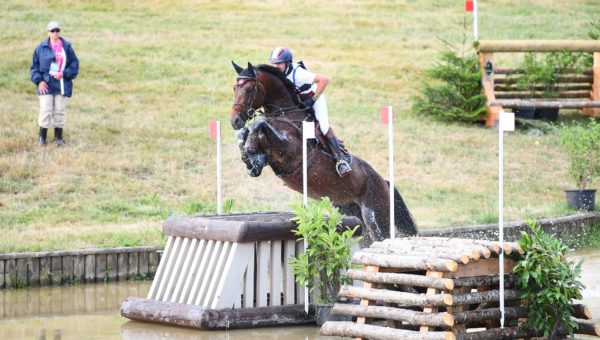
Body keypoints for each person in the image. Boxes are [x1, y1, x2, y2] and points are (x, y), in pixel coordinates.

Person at [269, 47, 351, 177]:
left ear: (288, 63)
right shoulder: (277, 73)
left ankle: (340, 159)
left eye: (279, 63)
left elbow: (324, 80)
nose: (276, 66)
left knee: (323, 127)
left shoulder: (299, 74)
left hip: (314, 97)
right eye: (274, 63)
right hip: (298, 100)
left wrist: (312, 100)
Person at [30, 21, 79, 147]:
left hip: (61, 84)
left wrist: (64, 73)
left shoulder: (67, 47)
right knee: (46, 109)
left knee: (60, 110)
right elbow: (34, 67)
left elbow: (74, 65)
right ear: (48, 32)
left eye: (57, 30)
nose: (55, 33)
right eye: (52, 31)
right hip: (46, 84)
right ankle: (42, 138)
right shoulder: (40, 48)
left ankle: (58, 138)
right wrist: (39, 81)